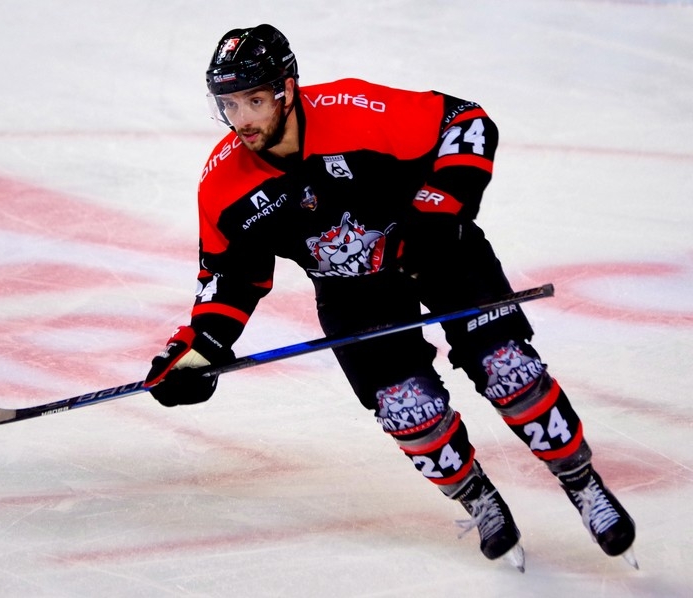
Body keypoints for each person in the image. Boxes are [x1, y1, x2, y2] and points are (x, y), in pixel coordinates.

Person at [144, 24, 636, 570]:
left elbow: (464, 120)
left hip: (436, 248)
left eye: (255, 100)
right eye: (229, 105)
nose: (244, 121)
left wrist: (438, 205)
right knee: (409, 411)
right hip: (353, 295)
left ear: (287, 88)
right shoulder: (225, 186)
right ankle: (479, 499)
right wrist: (197, 350)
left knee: (508, 368)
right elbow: (229, 279)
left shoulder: (354, 110)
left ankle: (582, 483)